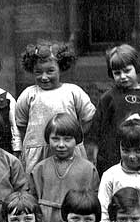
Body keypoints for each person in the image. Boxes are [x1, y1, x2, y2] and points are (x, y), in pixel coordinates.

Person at [16, 40, 95, 174]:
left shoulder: (72, 92)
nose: (44, 77)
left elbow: (88, 117)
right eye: (38, 72)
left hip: (68, 148)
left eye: (50, 71)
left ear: (60, 68)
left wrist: (74, 137)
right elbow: (21, 124)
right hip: (38, 152)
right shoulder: (29, 94)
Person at [86, 44, 140, 175]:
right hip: (114, 158)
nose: (122, 76)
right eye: (117, 73)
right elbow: (96, 132)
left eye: (127, 71)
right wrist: (95, 158)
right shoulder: (108, 98)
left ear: (136, 68)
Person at [29, 113, 100, 222]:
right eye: (55, 139)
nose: (61, 145)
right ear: (48, 139)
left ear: (76, 139)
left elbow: (94, 202)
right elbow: (31, 202)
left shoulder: (88, 169)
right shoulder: (39, 169)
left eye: (67, 139)